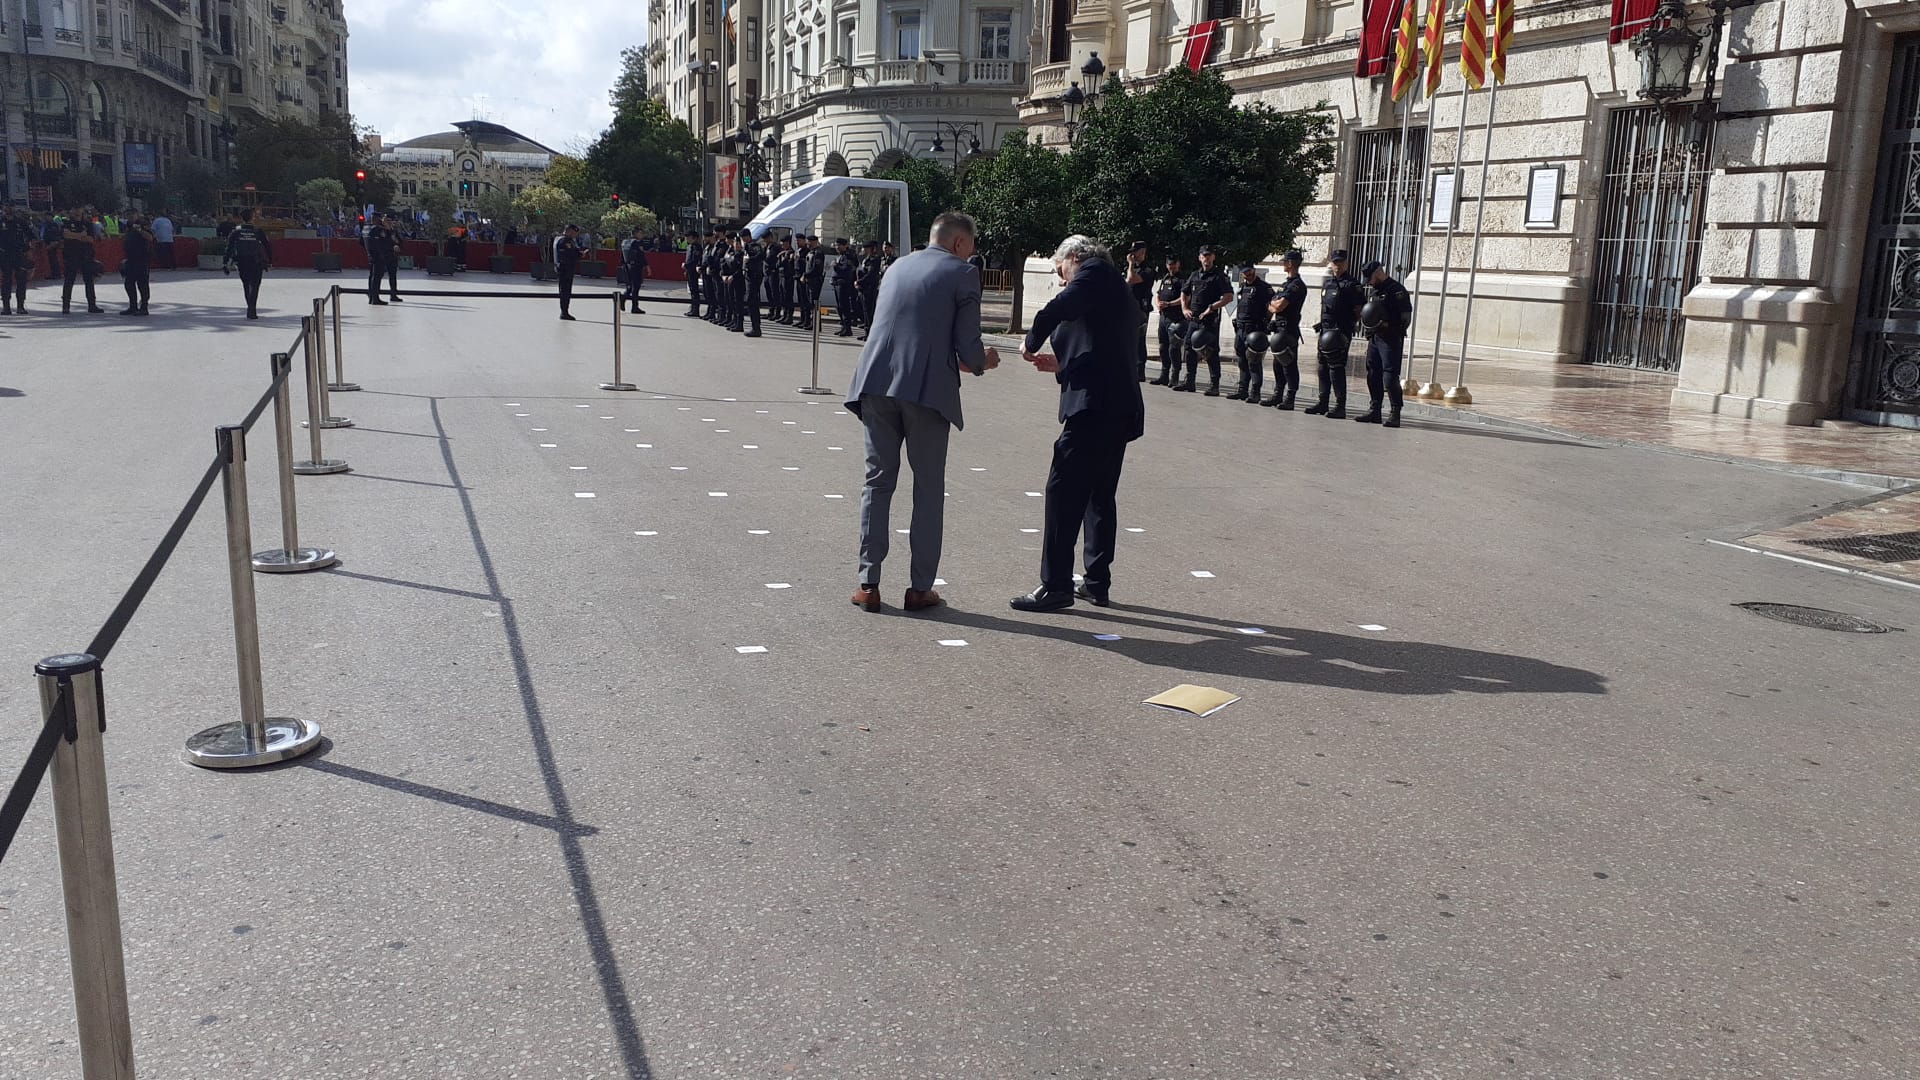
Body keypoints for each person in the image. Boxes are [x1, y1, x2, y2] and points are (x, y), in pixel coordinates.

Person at [845, 211, 1001, 614]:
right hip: (927, 390)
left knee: (877, 482)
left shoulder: (897, 265)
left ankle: (868, 583)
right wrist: (984, 361)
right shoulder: (962, 273)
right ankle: (919, 588)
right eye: (973, 245)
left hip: (875, 381)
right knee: (928, 488)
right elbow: (968, 347)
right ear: (959, 243)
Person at [1011, 235, 1146, 612]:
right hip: (1114, 405)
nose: (1062, 280)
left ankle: (1055, 585)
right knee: (1097, 494)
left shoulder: (1096, 270)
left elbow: (1059, 307)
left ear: (1073, 257)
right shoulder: (1110, 287)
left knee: (1062, 491)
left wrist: (1031, 340)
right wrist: (1061, 364)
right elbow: (1104, 347)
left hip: (1094, 409)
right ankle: (1096, 581)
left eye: (1061, 272)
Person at [1355, 260, 1415, 428]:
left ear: (1378, 273)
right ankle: (1375, 410)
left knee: (1389, 376)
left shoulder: (1397, 291)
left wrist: (1389, 326)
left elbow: (1405, 318)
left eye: (1370, 278)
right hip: (1375, 338)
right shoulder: (1376, 291)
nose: (1369, 282)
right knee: (1373, 372)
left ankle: (1395, 412)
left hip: (1391, 339)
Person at [1306, 249, 1364, 419]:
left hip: (1340, 333)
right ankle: (1323, 402)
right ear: (1331, 263)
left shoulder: (1353, 285)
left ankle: (1340, 406)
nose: (1337, 265)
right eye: (1335, 262)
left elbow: (1360, 310)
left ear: (1346, 263)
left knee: (1336, 368)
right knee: (1322, 367)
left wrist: (1348, 325)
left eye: (1341, 262)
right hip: (1325, 331)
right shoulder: (1328, 283)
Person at [1179, 245, 1232, 395]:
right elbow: (1184, 292)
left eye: (1209, 256)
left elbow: (1228, 297)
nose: (1206, 259)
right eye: (1204, 256)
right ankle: (1190, 381)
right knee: (1189, 349)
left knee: (1210, 352)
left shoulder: (1218, 276)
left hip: (1209, 321)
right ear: (1200, 257)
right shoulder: (1195, 275)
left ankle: (1214, 385)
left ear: (1213, 257)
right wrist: (1184, 308)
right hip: (1194, 320)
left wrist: (1212, 307)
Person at [1263, 250, 1309, 408]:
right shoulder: (1287, 284)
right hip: (1279, 329)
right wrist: (1274, 305)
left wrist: (1272, 305)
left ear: (1290, 263)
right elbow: (1275, 305)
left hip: (1288, 330)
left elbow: (1279, 305)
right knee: (1277, 364)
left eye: (1284, 262)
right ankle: (1278, 394)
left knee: (1289, 364)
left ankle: (1290, 397)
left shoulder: (1296, 285)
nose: (1282, 264)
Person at [1229, 263, 1274, 402]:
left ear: (1254, 271)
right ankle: (1242, 390)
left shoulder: (1264, 288)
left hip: (1255, 330)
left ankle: (1255, 392)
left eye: (1249, 271)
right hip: (1241, 329)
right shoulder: (1243, 288)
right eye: (1245, 272)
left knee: (1254, 362)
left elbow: (1270, 308)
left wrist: (1264, 323)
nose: (1247, 274)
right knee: (1242, 361)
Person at [223, 210, 272, 319]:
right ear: (252, 218)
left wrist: (225, 262)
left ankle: (250, 306)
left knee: (246, 284)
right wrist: (270, 261)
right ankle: (252, 309)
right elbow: (267, 246)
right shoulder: (258, 231)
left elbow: (229, 247)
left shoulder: (236, 231)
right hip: (256, 261)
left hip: (242, 261)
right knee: (255, 285)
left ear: (242, 218)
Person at [1151, 254, 1186, 386]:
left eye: (1173, 264)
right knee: (1163, 347)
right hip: (1164, 318)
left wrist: (1169, 304)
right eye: (1169, 264)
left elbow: (1185, 298)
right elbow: (1158, 294)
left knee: (1174, 349)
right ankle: (1164, 375)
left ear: (1178, 264)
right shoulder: (1165, 278)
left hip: (1175, 319)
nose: (1171, 267)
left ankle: (1174, 376)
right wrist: (1159, 303)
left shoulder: (1182, 280)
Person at [61, 210, 104, 315]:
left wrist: (74, 236)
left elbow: (90, 239)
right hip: (71, 256)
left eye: (79, 211)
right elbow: (66, 235)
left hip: (86, 256)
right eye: (75, 210)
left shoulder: (88, 224)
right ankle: (66, 306)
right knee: (69, 280)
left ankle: (92, 305)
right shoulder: (66, 223)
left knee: (89, 281)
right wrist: (81, 235)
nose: (77, 213)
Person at [1124, 241, 1152, 382]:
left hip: (1140, 310)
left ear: (1142, 252)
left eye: (1134, 252)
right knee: (1128, 339)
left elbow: (1131, 279)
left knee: (1139, 340)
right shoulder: (1132, 268)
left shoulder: (1147, 271)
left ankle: (1139, 371)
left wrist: (1130, 265)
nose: (1131, 255)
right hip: (1128, 308)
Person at [120, 213, 153, 316]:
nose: (130, 218)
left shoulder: (143, 225)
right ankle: (133, 306)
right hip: (131, 259)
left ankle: (144, 307)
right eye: (128, 216)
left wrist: (139, 230)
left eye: (132, 216)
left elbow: (150, 237)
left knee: (142, 284)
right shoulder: (128, 228)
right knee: (128, 284)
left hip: (142, 259)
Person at [1, 207, 31, 314]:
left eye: (11, 208)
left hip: (19, 254)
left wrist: (28, 249)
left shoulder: (20, 222)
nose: (9, 211)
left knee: (22, 280)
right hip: (5, 255)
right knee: (6, 281)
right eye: (7, 208)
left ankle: (20, 306)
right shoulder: (1, 221)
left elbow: (30, 236)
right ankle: (6, 307)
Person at [363, 213, 397, 305]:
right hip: (378, 257)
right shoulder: (377, 230)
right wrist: (377, 254)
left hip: (375, 256)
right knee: (376, 277)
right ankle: (375, 298)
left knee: (375, 277)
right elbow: (383, 243)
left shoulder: (369, 229)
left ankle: (373, 297)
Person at [554, 223, 585, 320]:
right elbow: (569, 253)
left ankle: (565, 311)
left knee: (566, 291)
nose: (575, 235)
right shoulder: (564, 241)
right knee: (565, 291)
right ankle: (564, 312)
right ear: (569, 231)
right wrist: (580, 254)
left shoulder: (566, 240)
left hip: (567, 268)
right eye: (574, 232)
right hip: (565, 269)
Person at [855, 240, 884, 340]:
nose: (865, 250)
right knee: (863, 310)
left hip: (870, 288)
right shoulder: (866, 259)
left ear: (873, 249)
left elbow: (871, 274)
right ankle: (867, 331)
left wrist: (859, 282)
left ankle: (870, 333)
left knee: (869, 312)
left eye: (867, 248)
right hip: (863, 288)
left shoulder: (875, 260)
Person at [831, 238, 859, 337]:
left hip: (844, 284)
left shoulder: (848, 257)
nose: (837, 247)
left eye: (839, 245)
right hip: (837, 284)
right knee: (840, 307)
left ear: (844, 246)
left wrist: (835, 266)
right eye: (836, 245)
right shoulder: (841, 256)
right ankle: (844, 327)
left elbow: (846, 270)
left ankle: (847, 328)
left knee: (844, 307)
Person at [741, 234, 765, 337]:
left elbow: (760, 255)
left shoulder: (755, 245)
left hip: (754, 276)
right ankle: (755, 326)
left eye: (743, 237)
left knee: (752, 301)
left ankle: (756, 328)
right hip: (749, 275)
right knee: (750, 301)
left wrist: (749, 259)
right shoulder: (747, 246)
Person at [621, 227, 649, 314]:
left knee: (629, 286)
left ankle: (623, 298)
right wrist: (647, 266)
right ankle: (634, 307)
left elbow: (622, 255)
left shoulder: (624, 242)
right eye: (641, 233)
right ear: (636, 234)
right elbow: (641, 255)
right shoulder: (637, 243)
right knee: (636, 287)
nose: (642, 235)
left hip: (627, 266)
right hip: (636, 267)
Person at [802, 235, 826, 331]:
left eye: (809, 242)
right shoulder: (811, 252)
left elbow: (816, 269)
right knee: (810, 303)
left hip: (815, 281)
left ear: (815, 242)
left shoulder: (818, 253)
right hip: (810, 281)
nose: (807, 243)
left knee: (814, 303)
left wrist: (806, 275)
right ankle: (813, 323)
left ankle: (817, 324)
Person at [378, 213, 404, 302]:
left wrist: (397, 244)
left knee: (393, 276)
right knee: (379, 275)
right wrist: (392, 246)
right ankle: (375, 294)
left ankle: (393, 294)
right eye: (386, 221)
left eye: (389, 221)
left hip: (392, 257)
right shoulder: (381, 231)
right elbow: (382, 243)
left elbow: (400, 241)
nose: (388, 223)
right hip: (383, 257)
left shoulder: (394, 231)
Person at [682, 232, 705, 318]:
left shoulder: (697, 247)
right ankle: (692, 308)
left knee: (695, 291)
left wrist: (687, 265)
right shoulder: (689, 247)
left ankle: (696, 310)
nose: (687, 239)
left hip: (694, 271)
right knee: (691, 290)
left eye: (689, 237)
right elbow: (688, 258)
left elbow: (695, 260)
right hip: (689, 271)